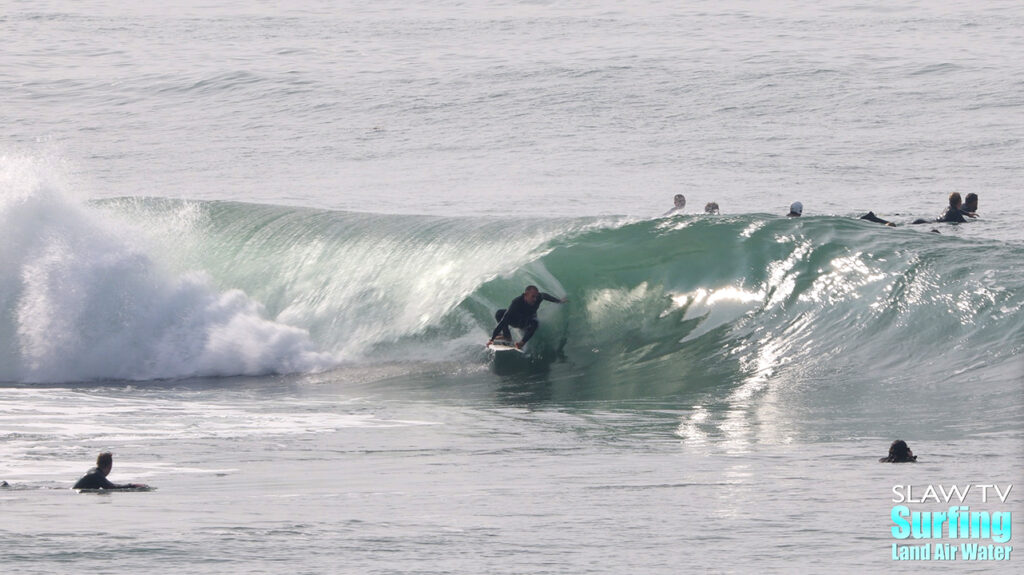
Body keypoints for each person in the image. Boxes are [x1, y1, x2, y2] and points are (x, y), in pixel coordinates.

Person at [488, 285, 567, 350]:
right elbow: (503, 321)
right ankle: (507, 336)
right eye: (532, 297)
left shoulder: (538, 297)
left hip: (527, 322)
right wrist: (492, 339)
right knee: (500, 313)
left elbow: (545, 296)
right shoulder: (516, 302)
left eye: (536, 297)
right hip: (517, 321)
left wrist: (559, 301)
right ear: (525, 295)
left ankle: (521, 343)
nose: (535, 299)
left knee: (535, 323)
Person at [73, 452, 147, 490]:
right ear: (110, 466)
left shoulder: (94, 471)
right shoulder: (96, 475)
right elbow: (111, 487)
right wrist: (133, 486)